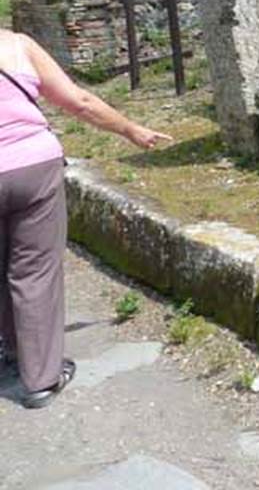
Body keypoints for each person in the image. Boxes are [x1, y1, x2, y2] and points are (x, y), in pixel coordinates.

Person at [0, 29, 170, 408]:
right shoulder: (17, 46)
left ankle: (11, 351)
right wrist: (130, 129)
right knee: (34, 272)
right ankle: (41, 378)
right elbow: (80, 101)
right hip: (33, 167)